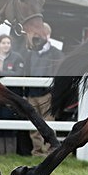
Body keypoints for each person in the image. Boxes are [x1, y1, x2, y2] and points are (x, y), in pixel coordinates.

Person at [26, 23, 65, 157]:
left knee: (49, 123)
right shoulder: (30, 53)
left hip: (47, 94)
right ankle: (37, 151)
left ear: (47, 35)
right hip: (32, 93)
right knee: (34, 124)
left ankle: (50, 151)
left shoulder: (56, 54)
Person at [0, 34, 26, 155]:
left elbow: (19, 73)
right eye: (3, 43)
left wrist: (0, 73)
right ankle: (0, 152)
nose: (6, 45)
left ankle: (10, 153)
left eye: (8, 43)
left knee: (10, 122)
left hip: (10, 95)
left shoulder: (17, 57)